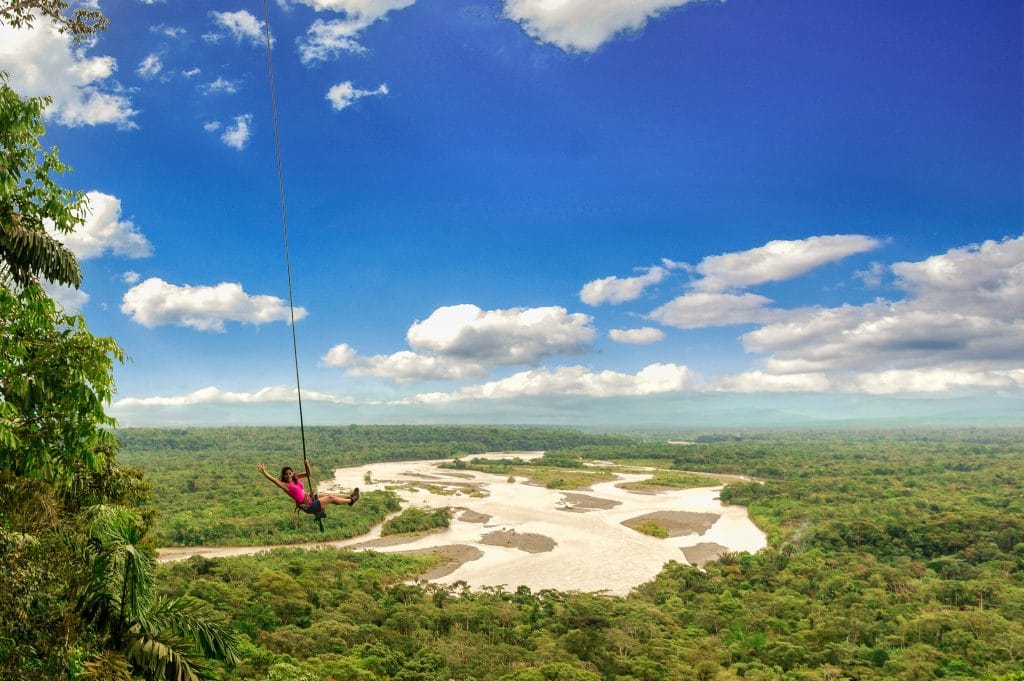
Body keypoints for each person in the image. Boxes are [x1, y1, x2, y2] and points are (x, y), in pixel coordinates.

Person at [257, 463, 359, 517]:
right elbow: (273, 480)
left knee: (328, 494)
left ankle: (349, 496)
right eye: (286, 474)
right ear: (283, 476)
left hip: (310, 498)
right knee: (330, 498)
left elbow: (308, 474)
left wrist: (307, 465)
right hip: (309, 506)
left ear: (292, 473)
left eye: (290, 473)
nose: (288, 475)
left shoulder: (295, 477)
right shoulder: (285, 486)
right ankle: (351, 501)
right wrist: (264, 472)